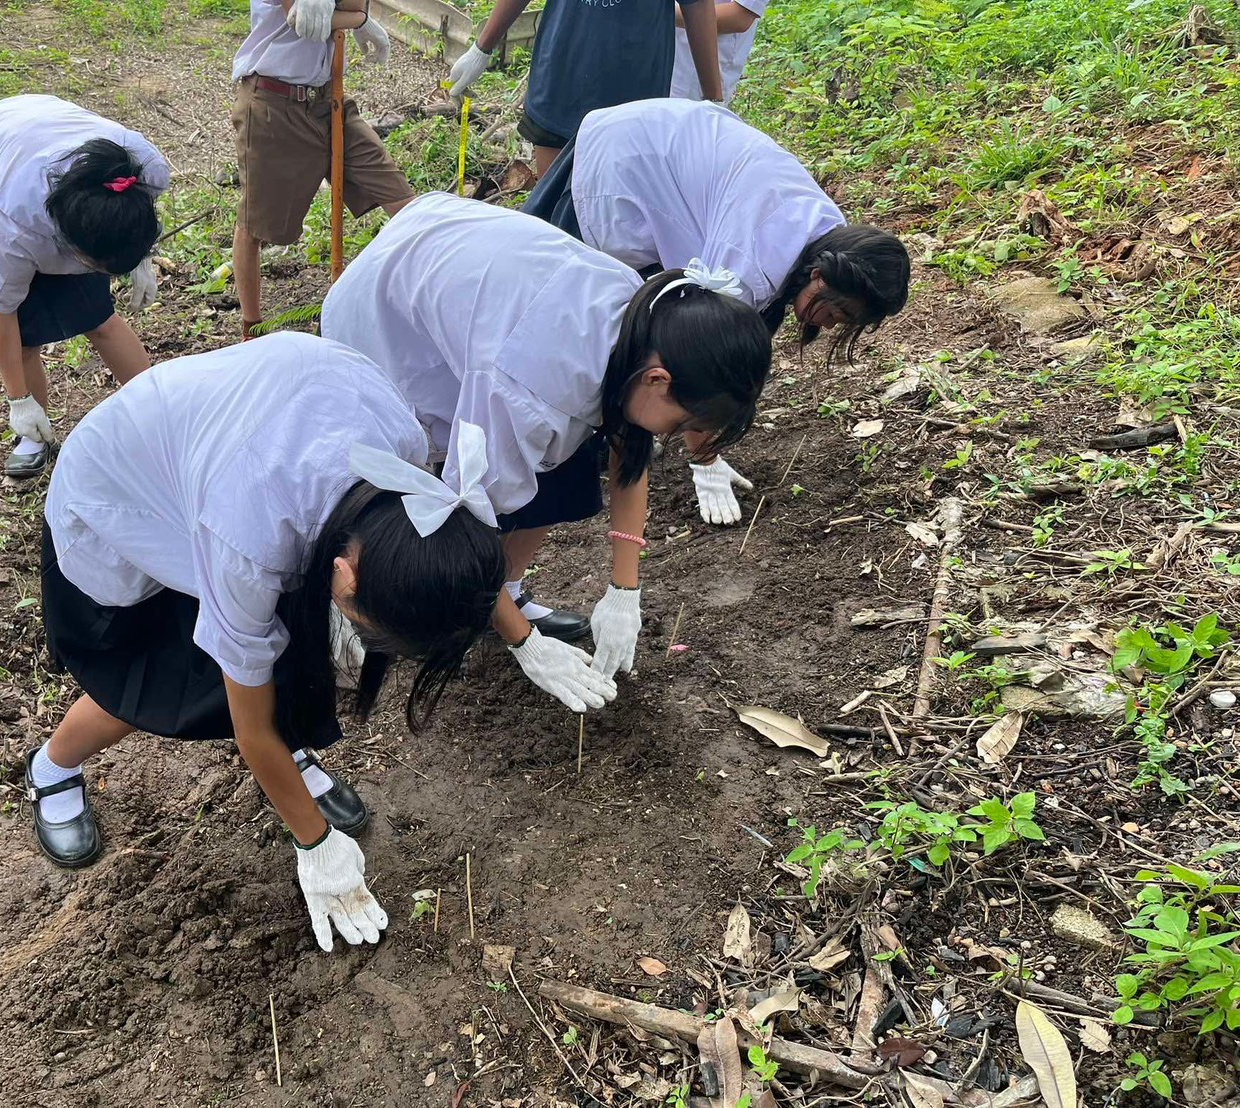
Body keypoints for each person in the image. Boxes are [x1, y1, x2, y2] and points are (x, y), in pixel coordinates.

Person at [28, 332, 505, 953]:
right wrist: (315, 843)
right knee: (160, 680)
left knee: (281, 657)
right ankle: (52, 768)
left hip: (216, 461)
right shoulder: (249, 544)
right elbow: (250, 726)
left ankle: (294, 758)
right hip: (125, 505)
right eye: (362, 622)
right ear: (346, 575)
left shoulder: (406, 470)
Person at [322, 192, 771, 712]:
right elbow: (467, 525)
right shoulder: (525, 394)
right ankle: (345, 603)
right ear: (657, 379)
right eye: (685, 422)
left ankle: (503, 592)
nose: (680, 436)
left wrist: (625, 589)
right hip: (385, 307)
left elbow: (632, 443)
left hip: (453, 254)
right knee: (418, 503)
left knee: (561, 475)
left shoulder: (652, 319)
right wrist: (527, 647)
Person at [522, 98, 911, 525]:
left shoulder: (829, 236)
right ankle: (558, 440)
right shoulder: (750, 262)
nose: (831, 324)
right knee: (561, 307)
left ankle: (621, 418)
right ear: (819, 276)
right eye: (837, 313)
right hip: (619, 163)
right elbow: (693, 354)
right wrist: (705, 463)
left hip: (664, 143)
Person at [0, 95, 170, 479]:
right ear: (71, 243)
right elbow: (2, 310)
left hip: (30, 134)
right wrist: (17, 400)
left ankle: (161, 416)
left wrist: (140, 255)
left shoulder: (145, 169)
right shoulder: (14, 227)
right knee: (25, 337)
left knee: (99, 318)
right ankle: (34, 434)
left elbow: (133, 218)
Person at [232, 0, 409, 340]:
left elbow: (354, 6)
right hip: (274, 103)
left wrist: (355, 15)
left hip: (329, 100)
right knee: (255, 222)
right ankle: (251, 329)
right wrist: (357, 18)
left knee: (401, 200)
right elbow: (300, 17)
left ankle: (414, 300)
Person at [443, 0, 724, 178]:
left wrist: (713, 96)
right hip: (561, 80)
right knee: (554, 211)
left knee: (619, 222)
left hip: (634, 91)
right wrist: (482, 48)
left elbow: (698, 6)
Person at [669, 0, 768, 104]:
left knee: (697, 113)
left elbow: (739, 16)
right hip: (665, 54)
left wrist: (660, 11)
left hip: (698, 75)